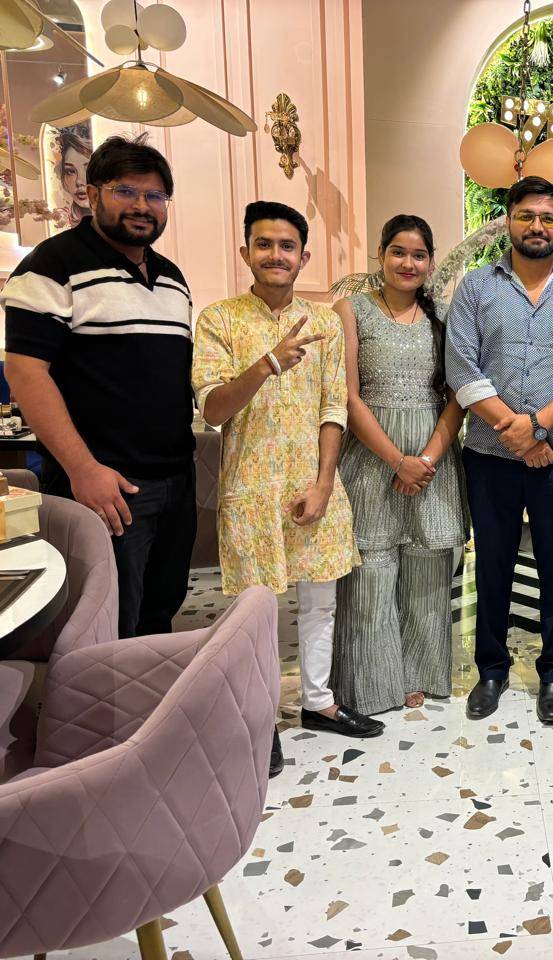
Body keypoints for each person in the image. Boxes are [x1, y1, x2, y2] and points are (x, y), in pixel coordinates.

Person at [192, 201, 384, 779]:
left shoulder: (324, 322)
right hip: (251, 488)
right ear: (245, 252)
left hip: (313, 483)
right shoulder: (219, 320)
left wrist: (325, 483)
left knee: (321, 601)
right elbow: (212, 409)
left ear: (304, 256)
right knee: (256, 612)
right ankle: (261, 719)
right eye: (264, 244)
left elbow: (334, 407)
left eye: (287, 246)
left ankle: (319, 702)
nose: (276, 255)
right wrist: (266, 364)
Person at [2, 134, 196, 638]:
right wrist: (83, 469)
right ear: (92, 194)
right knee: (108, 624)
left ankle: (154, 691)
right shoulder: (52, 265)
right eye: (125, 191)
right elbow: (25, 372)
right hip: (105, 485)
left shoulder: (172, 278)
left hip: (174, 480)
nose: (142, 206)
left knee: (159, 609)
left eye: (155, 195)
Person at [445, 175, 553, 726]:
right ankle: (491, 670)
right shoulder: (475, 287)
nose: (537, 226)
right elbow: (462, 369)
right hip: (489, 457)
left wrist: (537, 427)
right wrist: (515, 433)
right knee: (491, 566)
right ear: (508, 220)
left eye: (548, 218)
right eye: (526, 216)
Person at [330, 214, 468, 715]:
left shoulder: (444, 318)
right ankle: (374, 683)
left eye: (419, 255)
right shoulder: (351, 310)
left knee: (427, 575)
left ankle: (418, 673)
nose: (408, 263)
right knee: (371, 572)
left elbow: (458, 396)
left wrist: (425, 459)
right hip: (372, 460)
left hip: (433, 461)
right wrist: (396, 461)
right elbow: (347, 397)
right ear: (381, 255)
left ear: (430, 262)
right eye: (398, 252)